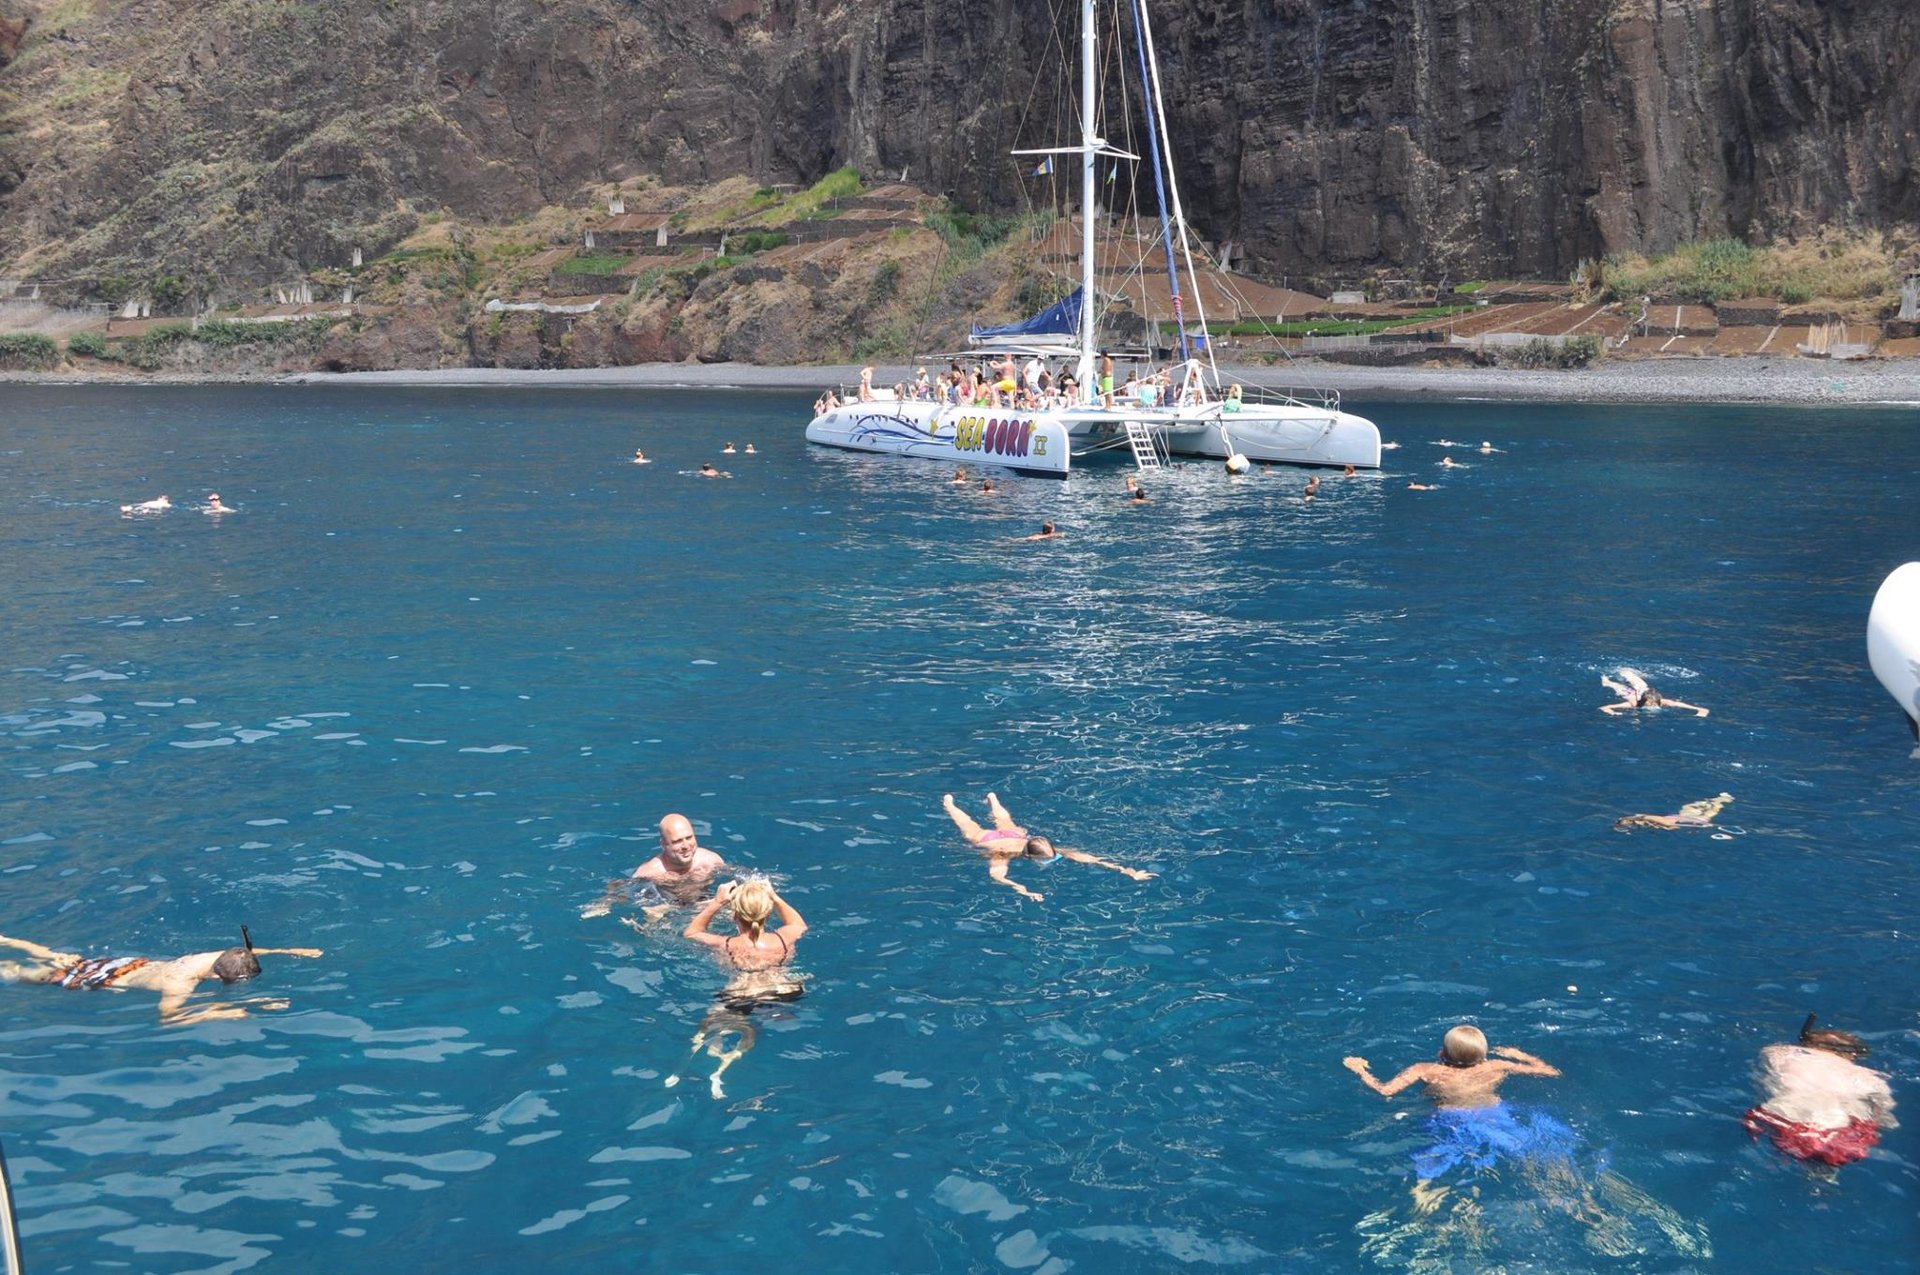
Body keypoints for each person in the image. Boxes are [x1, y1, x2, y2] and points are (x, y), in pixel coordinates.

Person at [1344, 1026, 1573, 1189]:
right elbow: (1549, 1072)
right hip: (1494, 1114)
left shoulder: (1425, 1069)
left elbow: (1386, 1091)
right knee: (1527, 1152)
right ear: (1484, 1057)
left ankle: (1423, 1194)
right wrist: (1518, 1054)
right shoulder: (1496, 1066)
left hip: (1451, 1119)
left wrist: (1360, 1070)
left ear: (1441, 1053)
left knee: (1431, 1165)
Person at [0, 927, 322, 1025]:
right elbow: (168, 1018)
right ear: (217, 977)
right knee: (25, 974)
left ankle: (9, 941)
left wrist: (288, 950)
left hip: (125, 964)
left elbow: (247, 953)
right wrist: (215, 1012)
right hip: (105, 981)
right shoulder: (180, 984)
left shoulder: (214, 957)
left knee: (64, 958)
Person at [668, 878, 808, 1097]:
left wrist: (717, 902)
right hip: (785, 992)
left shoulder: (727, 944)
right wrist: (774, 896)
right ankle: (730, 1060)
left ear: (734, 915)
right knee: (756, 1027)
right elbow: (799, 924)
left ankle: (702, 1065)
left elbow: (691, 933)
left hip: (741, 996)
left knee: (707, 1028)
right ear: (768, 914)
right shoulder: (784, 938)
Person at [1745, 1014, 1897, 1168]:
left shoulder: (1780, 1053)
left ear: (1807, 1044)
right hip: (1841, 1130)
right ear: (1852, 1054)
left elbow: (1762, 1079)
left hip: (1787, 1117)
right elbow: (1885, 1117)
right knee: (1829, 1160)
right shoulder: (1871, 1078)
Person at [941, 793, 1154, 902]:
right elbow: (998, 876)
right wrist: (1023, 890)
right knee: (969, 825)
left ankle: (990, 799)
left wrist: (1127, 871)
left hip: (1014, 836)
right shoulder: (1002, 854)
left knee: (1003, 821)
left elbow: (1091, 859)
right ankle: (951, 804)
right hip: (987, 840)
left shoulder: (1038, 847)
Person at [583, 813, 729, 917]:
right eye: (677, 841)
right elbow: (621, 889)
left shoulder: (710, 860)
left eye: (689, 838)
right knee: (654, 915)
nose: (686, 846)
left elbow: (737, 878)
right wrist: (604, 903)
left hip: (704, 903)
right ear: (663, 844)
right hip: (670, 910)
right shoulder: (650, 873)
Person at [1601, 668, 1708, 717]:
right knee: (1615, 681)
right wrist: (1613, 713)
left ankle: (1623, 675)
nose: (1652, 706)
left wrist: (1700, 710)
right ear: (1644, 701)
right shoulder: (1634, 703)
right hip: (1630, 694)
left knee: (1641, 684)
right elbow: (1605, 707)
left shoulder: (1662, 702)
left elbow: (1680, 704)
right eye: (1649, 704)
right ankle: (1608, 677)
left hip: (1643, 689)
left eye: (1653, 703)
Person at [1613, 792, 1733, 831]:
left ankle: (1720, 799)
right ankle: (1721, 799)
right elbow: (1646, 817)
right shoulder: (1659, 823)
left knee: (1698, 808)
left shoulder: (1659, 822)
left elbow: (1645, 817)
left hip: (1684, 818)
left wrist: (1633, 818)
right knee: (1709, 809)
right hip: (1691, 819)